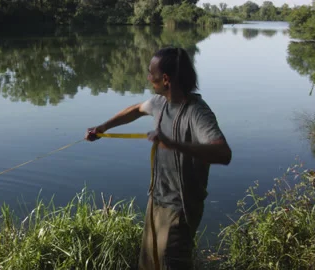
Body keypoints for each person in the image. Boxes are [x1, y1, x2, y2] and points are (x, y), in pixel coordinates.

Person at [84, 47, 232, 269]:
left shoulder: (197, 112)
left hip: (180, 208)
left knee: (171, 262)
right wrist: (103, 127)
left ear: (165, 79)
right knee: (149, 262)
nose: (147, 77)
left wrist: (174, 144)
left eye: (150, 72)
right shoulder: (159, 103)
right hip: (156, 201)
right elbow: (135, 110)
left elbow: (223, 153)